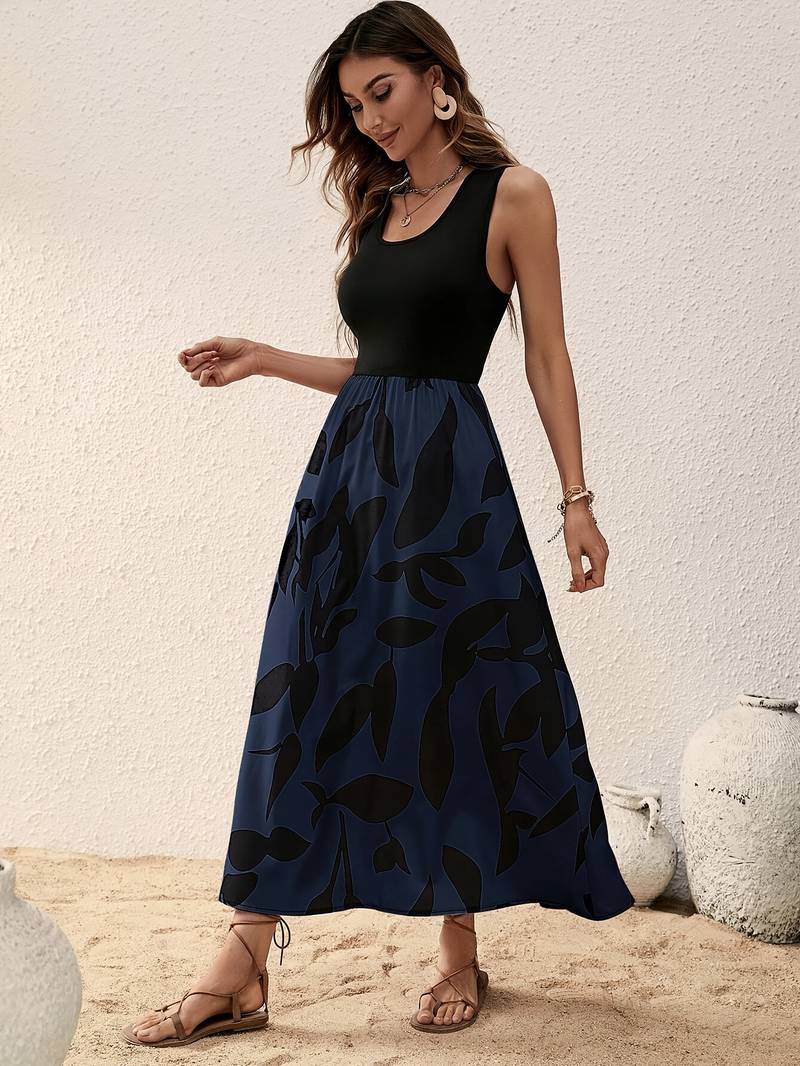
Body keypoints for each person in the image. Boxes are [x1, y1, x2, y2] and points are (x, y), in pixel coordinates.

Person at [122, 0, 633, 1049]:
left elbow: (544, 355)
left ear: (437, 78)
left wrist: (576, 500)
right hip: (346, 482)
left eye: (382, 93)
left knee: (450, 694)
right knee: (302, 687)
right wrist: (264, 357)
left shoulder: (513, 195)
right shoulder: (377, 206)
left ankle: (457, 948)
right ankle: (244, 956)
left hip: (450, 487)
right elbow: (380, 366)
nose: (369, 120)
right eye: (353, 106)